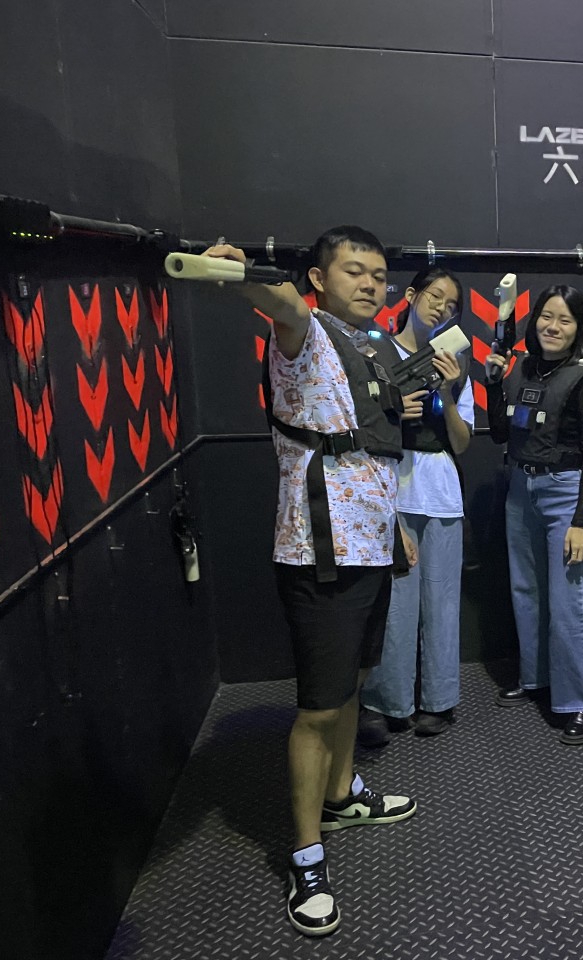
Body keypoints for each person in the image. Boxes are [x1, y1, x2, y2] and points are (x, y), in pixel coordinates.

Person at [203, 227, 420, 935]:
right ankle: (305, 855)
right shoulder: (306, 332)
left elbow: (370, 452)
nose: (370, 284)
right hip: (319, 550)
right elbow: (282, 304)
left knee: (353, 684)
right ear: (320, 279)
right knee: (319, 709)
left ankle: (341, 793)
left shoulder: (368, 347)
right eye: (354, 271)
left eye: (379, 275)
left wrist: (396, 526)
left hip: (371, 544)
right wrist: (243, 273)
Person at [485, 285, 583, 744]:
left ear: (579, 329)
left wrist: (581, 522)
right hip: (521, 487)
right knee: (527, 591)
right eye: (546, 317)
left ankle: (582, 700)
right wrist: (492, 384)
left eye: (565, 320)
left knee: (568, 601)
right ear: (534, 319)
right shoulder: (520, 368)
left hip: (565, 493)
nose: (553, 327)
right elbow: (500, 432)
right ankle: (535, 678)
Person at [359, 268, 470, 743]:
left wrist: (446, 390)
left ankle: (439, 701)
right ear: (410, 295)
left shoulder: (456, 361)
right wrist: (392, 412)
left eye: (451, 305)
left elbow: (462, 443)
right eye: (434, 296)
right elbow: (357, 420)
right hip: (391, 485)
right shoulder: (374, 351)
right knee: (393, 604)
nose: (441, 308)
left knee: (442, 600)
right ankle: (387, 702)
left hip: (441, 490)